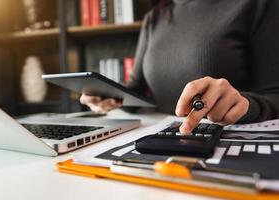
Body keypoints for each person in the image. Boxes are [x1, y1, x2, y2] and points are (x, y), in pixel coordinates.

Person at [80, 0, 279, 134]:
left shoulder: (258, 5)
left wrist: (245, 105)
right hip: (160, 135)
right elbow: (136, 90)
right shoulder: (154, 18)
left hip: (228, 137)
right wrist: (109, 94)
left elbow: (274, 93)